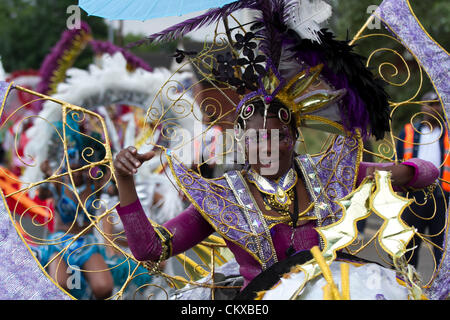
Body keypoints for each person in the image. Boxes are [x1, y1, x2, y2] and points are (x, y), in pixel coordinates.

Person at [111, 1, 439, 299]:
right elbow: (151, 250)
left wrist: (396, 174)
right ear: (240, 143)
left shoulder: (329, 175)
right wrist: (124, 180)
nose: (265, 147)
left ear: (293, 138)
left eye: (277, 137)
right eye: (255, 139)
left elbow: (428, 174)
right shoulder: (224, 200)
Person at [34, 123, 114, 300]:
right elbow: (41, 193)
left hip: (87, 244)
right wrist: (46, 175)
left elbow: (114, 190)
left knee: (104, 288)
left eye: (81, 165)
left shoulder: (96, 184)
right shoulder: (57, 181)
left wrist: (111, 163)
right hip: (60, 244)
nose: (77, 170)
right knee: (59, 286)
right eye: (71, 163)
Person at [396, 91, 447, 268]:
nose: (433, 108)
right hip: (413, 197)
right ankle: (408, 287)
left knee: (441, 248)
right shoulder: (408, 131)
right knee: (408, 247)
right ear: (421, 106)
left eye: (436, 103)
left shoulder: (447, 133)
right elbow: (397, 162)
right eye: (429, 103)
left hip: (441, 198)